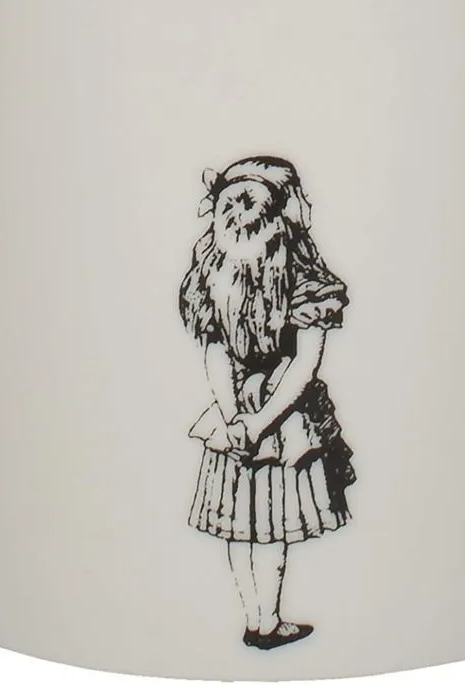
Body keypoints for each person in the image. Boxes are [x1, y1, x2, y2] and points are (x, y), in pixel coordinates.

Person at [179, 156, 355, 651]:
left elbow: (216, 351)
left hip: (240, 413)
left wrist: (235, 416)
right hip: (283, 418)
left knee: (242, 523)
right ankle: (267, 620)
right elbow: (304, 364)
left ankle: (258, 619)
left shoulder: (214, 267)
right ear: (288, 211)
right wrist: (255, 423)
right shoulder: (303, 273)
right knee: (270, 523)